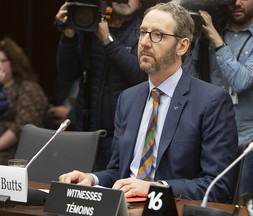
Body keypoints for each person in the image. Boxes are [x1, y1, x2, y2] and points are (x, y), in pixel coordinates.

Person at [59, 2, 238, 203]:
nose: (144, 42)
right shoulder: (128, 99)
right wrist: (92, 179)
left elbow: (218, 186)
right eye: (143, 32)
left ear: (182, 46)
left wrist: (154, 189)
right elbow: (119, 172)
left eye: (157, 35)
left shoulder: (211, 101)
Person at [182, 0, 253, 199]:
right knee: (204, 198)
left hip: (243, 140)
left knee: (239, 202)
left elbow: (240, 81)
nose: (236, 3)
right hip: (208, 135)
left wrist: (217, 41)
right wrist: (193, 41)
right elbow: (189, 78)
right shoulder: (209, 34)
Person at [54, 0, 147, 171]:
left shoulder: (143, 32)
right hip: (87, 130)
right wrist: (68, 34)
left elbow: (140, 76)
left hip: (124, 135)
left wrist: (107, 40)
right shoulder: (89, 26)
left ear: (140, 4)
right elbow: (67, 74)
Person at [0, 37, 48, 165]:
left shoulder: (28, 88)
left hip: (15, 156)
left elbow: (22, 127)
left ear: (14, 63)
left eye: (2, 61)